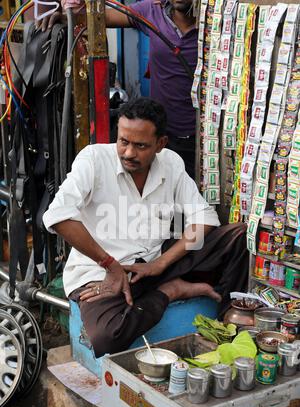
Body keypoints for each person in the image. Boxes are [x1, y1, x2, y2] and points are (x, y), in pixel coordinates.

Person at [43, 97, 248, 358]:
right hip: (101, 273)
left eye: (140, 146)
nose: (129, 153)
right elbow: (58, 216)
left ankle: (228, 324)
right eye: (123, 142)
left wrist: (161, 263)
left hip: (154, 265)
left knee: (237, 237)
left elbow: (205, 218)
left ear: (160, 144)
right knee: (106, 337)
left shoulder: (171, 163)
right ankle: (171, 291)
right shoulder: (93, 160)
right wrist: (109, 264)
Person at [38, 0, 198, 179]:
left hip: (201, 139)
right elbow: (97, 18)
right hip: (160, 136)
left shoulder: (215, 24)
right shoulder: (152, 12)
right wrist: (65, 18)